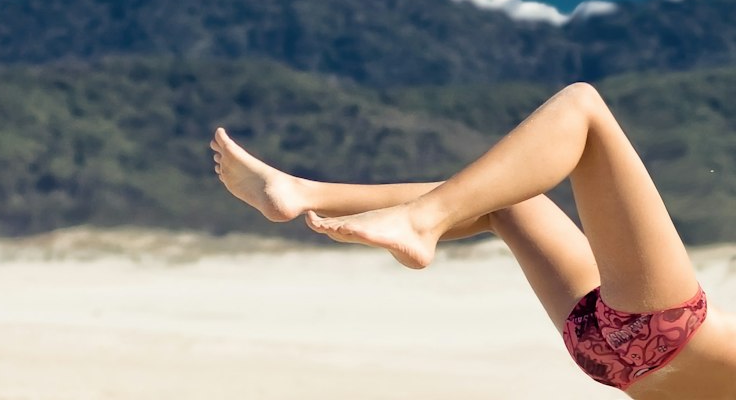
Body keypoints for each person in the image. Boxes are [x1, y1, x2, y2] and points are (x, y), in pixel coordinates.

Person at [210, 82, 736, 397]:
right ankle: (304, 191)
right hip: (613, 359)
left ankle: (417, 221)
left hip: (657, 331)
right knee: (508, 201)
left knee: (582, 108)